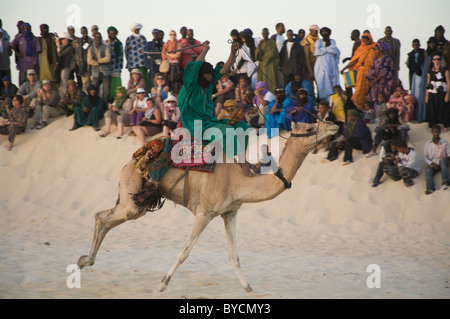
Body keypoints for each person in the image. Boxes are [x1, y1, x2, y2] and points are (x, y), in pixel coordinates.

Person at [177, 40, 252, 175]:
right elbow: (195, 66)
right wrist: (205, 50)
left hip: (210, 122)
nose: (211, 76)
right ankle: (242, 164)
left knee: (242, 126)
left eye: (211, 74)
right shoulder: (191, 85)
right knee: (228, 131)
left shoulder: (209, 84)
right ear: (200, 74)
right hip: (196, 126)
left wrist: (232, 52)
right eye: (208, 73)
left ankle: (241, 159)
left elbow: (224, 70)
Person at [341, 32, 377, 111]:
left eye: (367, 40)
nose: (365, 42)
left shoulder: (375, 48)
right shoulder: (360, 49)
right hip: (361, 72)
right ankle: (359, 108)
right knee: (358, 92)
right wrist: (345, 67)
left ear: (370, 40)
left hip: (371, 73)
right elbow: (354, 60)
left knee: (369, 92)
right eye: (364, 41)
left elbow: (377, 62)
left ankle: (368, 110)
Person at [313, 27, 340, 101]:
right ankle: (323, 100)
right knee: (322, 82)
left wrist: (323, 50)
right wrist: (328, 50)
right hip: (321, 66)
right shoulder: (318, 42)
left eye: (326, 33)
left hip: (331, 65)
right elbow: (317, 52)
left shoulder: (332, 41)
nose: (325, 35)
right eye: (323, 33)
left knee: (332, 83)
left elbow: (334, 50)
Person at [425, 53, 450, 131]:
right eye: (435, 59)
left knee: (444, 109)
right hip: (432, 92)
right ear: (432, 61)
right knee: (432, 109)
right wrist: (427, 95)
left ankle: (446, 125)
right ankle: (433, 125)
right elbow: (428, 83)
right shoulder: (430, 71)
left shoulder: (445, 70)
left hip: (442, 92)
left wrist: (448, 95)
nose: (437, 61)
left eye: (438, 59)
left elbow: (448, 82)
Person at [423, 125, 450, 194]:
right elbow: (425, 157)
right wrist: (432, 163)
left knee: (442, 161)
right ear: (432, 132)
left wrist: (446, 158)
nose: (436, 134)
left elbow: (449, 155)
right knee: (428, 171)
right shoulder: (428, 144)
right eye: (434, 132)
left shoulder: (445, 142)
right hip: (433, 163)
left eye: (437, 132)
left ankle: (445, 183)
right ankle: (430, 188)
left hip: (443, 162)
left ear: (440, 132)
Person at [366, 43, 394, 107]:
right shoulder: (375, 59)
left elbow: (385, 70)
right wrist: (373, 78)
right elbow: (372, 69)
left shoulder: (387, 58)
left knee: (383, 97)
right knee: (374, 98)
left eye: (376, 50)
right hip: (375, 83)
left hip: (384, 82)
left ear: (380, 50)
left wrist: (378, 78)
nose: (375, 51)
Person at [406, 39, 427, 123]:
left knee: (421, 95)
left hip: (422, 74)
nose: (415, 46)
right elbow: (408, 64)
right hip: (414, 75)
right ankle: (415, 115)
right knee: (415, 95)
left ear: (419, 44)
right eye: (414, 44)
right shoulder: (410, 54)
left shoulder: (423, 53)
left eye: (417, 44)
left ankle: (422, 115)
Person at [87, 33, 111, 105]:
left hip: (105, 72)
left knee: (106, 91)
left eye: (99, 38)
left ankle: (104, 105)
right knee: (93, 90)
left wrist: (98, 60)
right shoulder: (91, 49)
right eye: (97, 38)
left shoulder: (106, 47)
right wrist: (99, 62)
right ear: (94, 39)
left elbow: (108, 59)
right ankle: (94, 105)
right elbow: (89, 61)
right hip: (95, 73)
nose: (98, 40)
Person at [125, 23, 150, 92]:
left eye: (138, 29)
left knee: (143, 79)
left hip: (143, 63)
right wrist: (128, 61)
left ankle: (145, 94)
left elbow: (146, 50)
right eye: (136, 29)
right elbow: (126, 51)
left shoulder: (143, 38)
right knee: (133, 79)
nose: (137, 30)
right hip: (132, 63)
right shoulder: (129, 38)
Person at [255, 27, 279, 94]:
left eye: (265, 33)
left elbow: (273, 53)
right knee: (262, 82)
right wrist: (259, 45)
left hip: (270, 66)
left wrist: (264, 59)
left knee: (271, 81)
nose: (264, 34)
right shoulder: (261, 43)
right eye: (263, 33)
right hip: (262, 67)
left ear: (268, 33)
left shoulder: (272, 43)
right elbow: (257, 56)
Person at [104, 26, 124, 99]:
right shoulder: (105, 43)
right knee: (107, 85)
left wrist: (120, 67)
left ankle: (117, 99)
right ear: (108, 34)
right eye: (111, 33)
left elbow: (121, 55)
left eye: (114, 33)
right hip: (106, 67)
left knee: (117, 85)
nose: (112, 34)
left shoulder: (119, 44)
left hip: (116, 66)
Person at [72, 26, 92, 94]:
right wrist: (79, 64)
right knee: (85, 85)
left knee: (93, 85)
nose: (84, 33)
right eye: (83, 32)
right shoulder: (78, 42)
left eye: (85, 31)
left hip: (91, 66)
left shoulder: (91, 41)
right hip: (82, 66)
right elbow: (77, 54)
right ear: (81, 32)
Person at [56, 32, 75, 97]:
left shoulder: (70, 48)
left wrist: (58, 46)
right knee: (60, 84)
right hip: (62, 67)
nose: (61, 41)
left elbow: (60, 54)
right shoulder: (64, 47)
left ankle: (65, 97)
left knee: (64, 84)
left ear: (67, 39)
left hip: (66, 67)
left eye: (62, 39)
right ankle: (62, 97)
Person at [270, 22, 286, 88]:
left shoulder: (283, 38)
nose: (284, 28)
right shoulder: (274, 37)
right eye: (283, 27)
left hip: (283, 63)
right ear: (278, 28)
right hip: (276, 63)